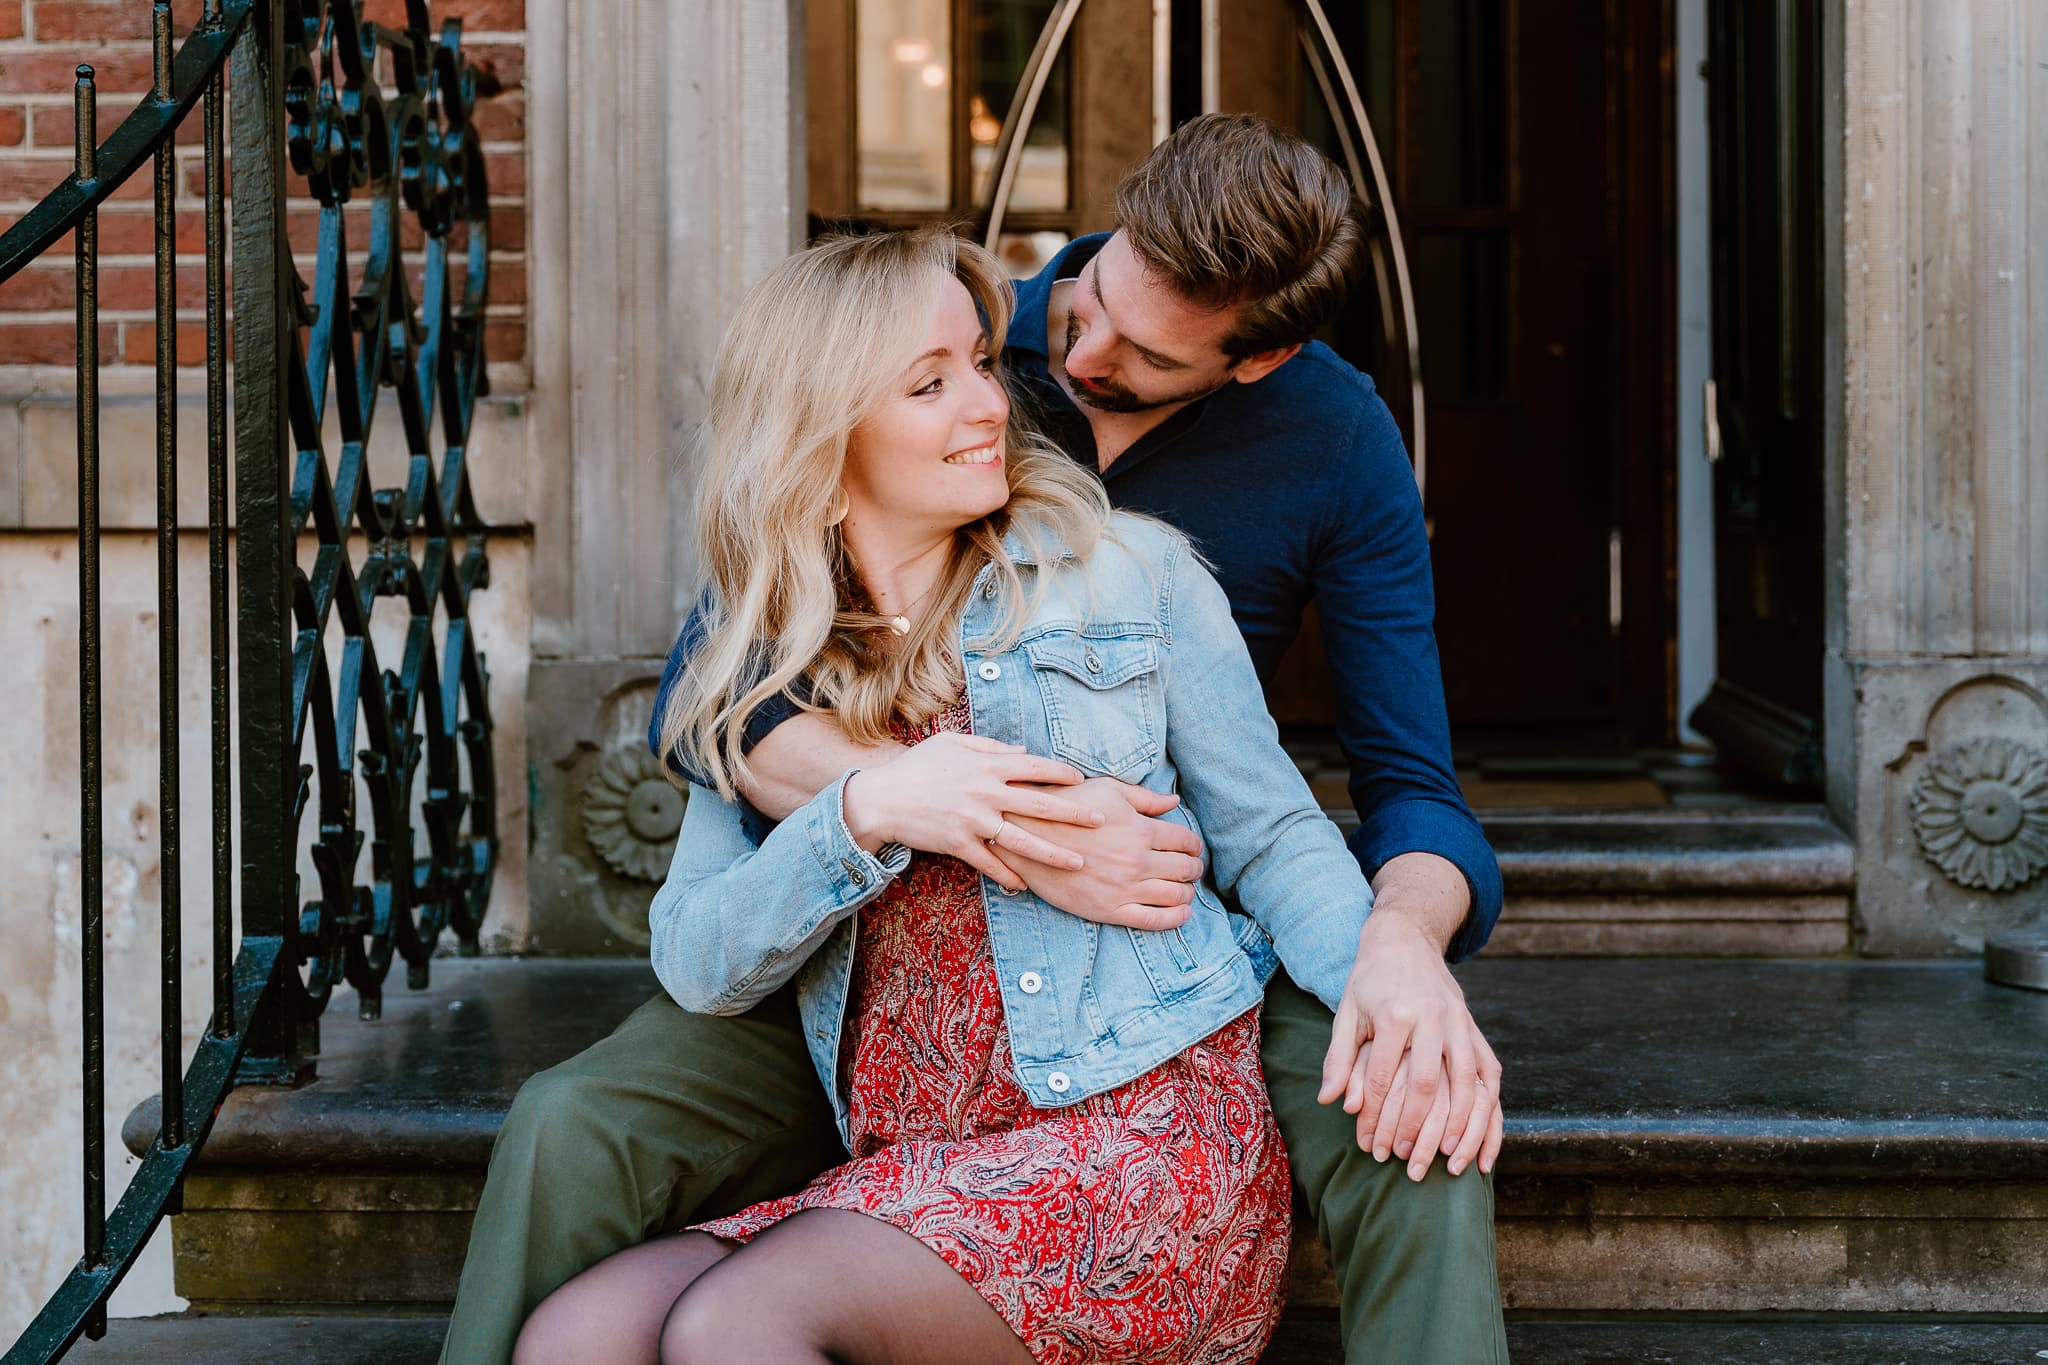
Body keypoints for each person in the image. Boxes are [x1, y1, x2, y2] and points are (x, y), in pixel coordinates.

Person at [443, 113, 1508, 1365]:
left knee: (1407, 1102)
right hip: (882, 984)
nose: (1064, 362)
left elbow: (1372, 793)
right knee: (573, 1156)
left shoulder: (1270, 481)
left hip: (1149, 962)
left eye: (1143, 353)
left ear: (1251, 362)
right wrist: (956, 812)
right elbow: (716, 695)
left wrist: (1399, 948)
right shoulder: (949, 329)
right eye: (1085, 300)